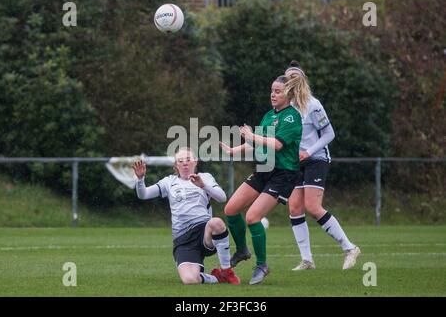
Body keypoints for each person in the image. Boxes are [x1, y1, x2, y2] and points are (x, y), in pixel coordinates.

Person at [219, 75, 303, 285]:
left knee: (253, 217)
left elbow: (276, 144)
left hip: (283, 174)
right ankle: (242, 250)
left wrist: (251, 136)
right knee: (230, 209)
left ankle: (262, 265)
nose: (273, 94)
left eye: (278, 91)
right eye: (272, 91)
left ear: (289, 94)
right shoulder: (268, 116)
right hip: (264, 170)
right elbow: (259, 143)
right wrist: (234, 150)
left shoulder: (292, 117)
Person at [284, 60, 360, 270]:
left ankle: (349, 248)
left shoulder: (313, 105)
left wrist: (308, 151)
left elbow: (329, 134)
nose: (289, 81)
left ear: (301, 80)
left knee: (313, 207)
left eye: (293, 77)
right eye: (287, 77)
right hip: (295, 162)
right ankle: (307, 260)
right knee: (295, 207)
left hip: (316, 159)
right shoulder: (284, 107)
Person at [132, 147, 240, 285]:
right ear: (176, 165)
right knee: (190, 280)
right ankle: (217, 278)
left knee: (216, 222)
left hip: (204, 233)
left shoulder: (205, 177)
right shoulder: (169, 182)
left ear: (195, 162)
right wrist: (140, 179)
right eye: (180, 160)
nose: (185, 163)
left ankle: (226, 271)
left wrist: (203, 185)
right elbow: (144, 195)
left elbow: (222, 198)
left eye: (188, 159)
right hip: (183, 238)